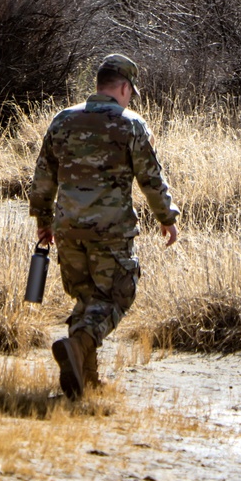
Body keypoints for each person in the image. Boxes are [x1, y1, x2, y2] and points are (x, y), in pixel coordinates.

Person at [28, 52, 179, 398]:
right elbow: (151, 179)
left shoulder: (62, 120)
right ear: (124, 87)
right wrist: (167, 218)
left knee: (86, 298)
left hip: (67, 229)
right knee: (117, 294)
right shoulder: (131, 124)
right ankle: (78, 346)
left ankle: (86, 377)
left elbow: (42, 177)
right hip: (111, 231)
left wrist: (43, 219)